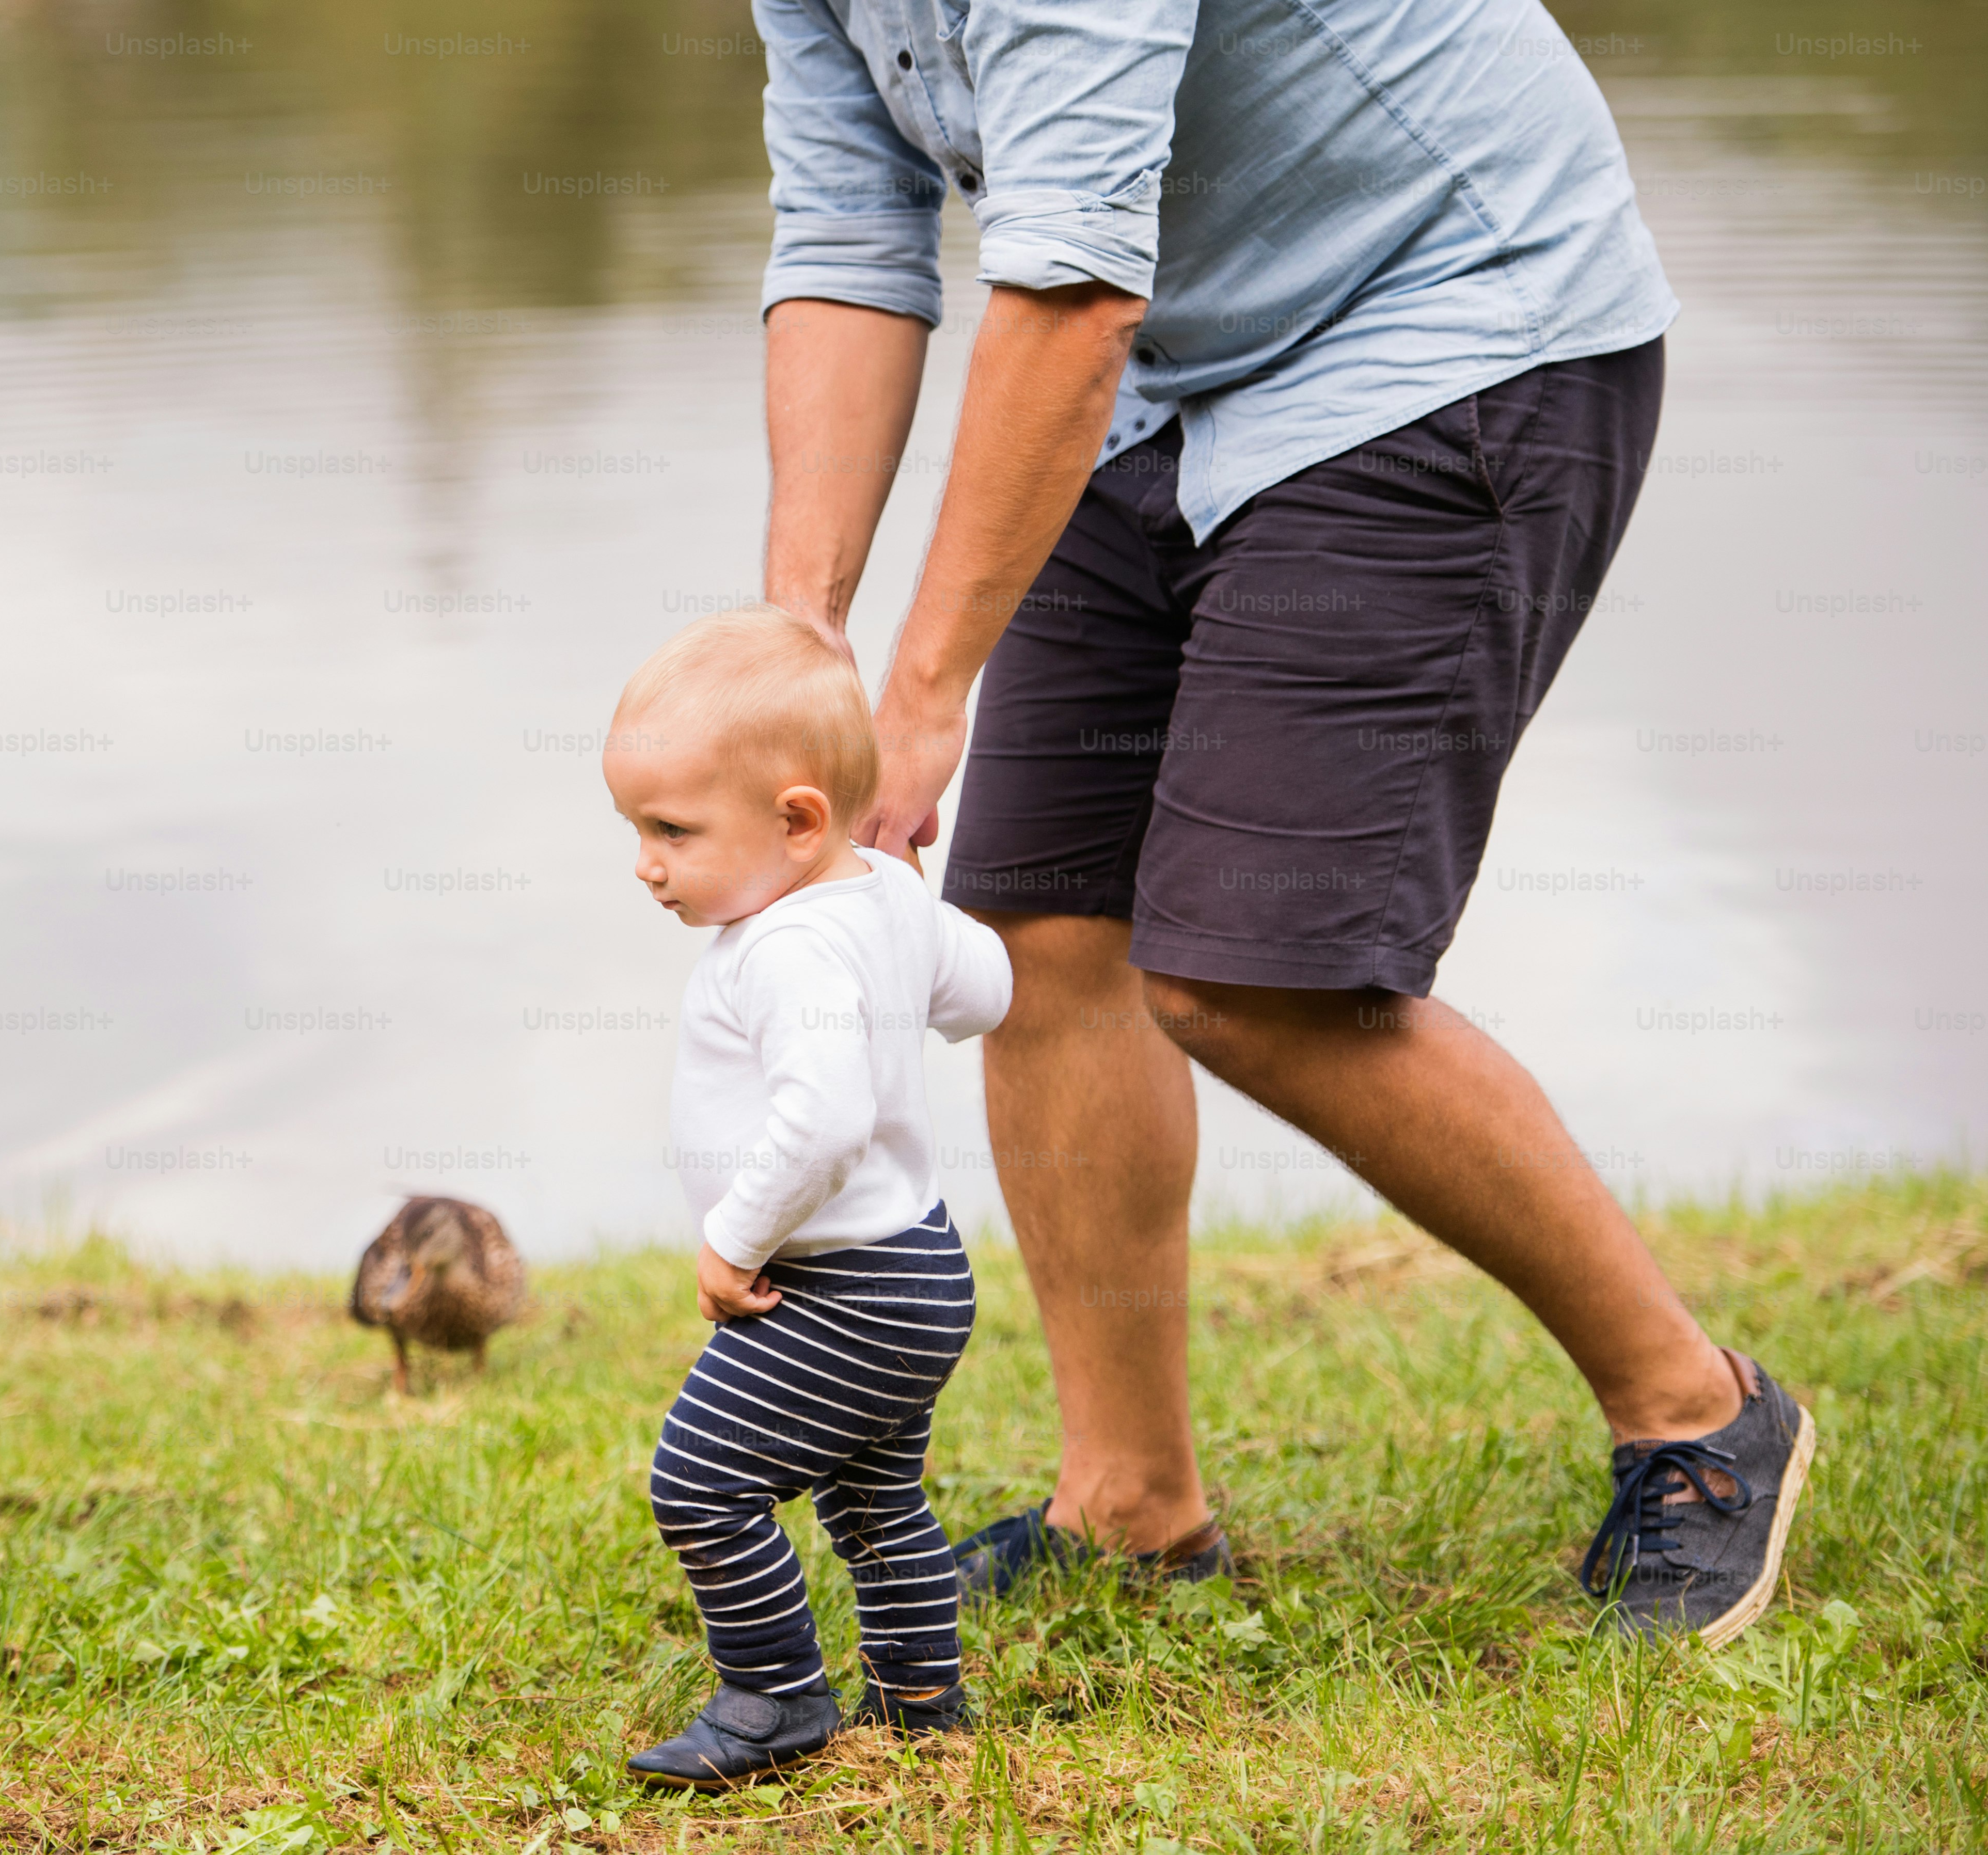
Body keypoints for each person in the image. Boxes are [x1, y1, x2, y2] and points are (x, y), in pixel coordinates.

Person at [749, 0, 1813, 1641]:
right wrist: (798, 643)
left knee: (1256, 975)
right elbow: (844, 226)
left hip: (1444, 325)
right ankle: (1129, 1501)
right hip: (1158, 366)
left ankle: (1695, 1413)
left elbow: (1073, 280)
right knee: (1038, 928)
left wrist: (924, 688)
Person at [600, 608, 1013, 1787]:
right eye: (635, 829)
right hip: (919, 1270)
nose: (645, 862)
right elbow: (985, 990)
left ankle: (775, 1700)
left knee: (701, 1482)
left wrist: (731, 1239)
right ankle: (919, 1696)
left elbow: (824, 1121)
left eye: (671, 830)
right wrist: (910, 913)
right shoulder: (874, 890)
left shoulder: (783, 949)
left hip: (843, 1283)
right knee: (876, 1498)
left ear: (796, 820)